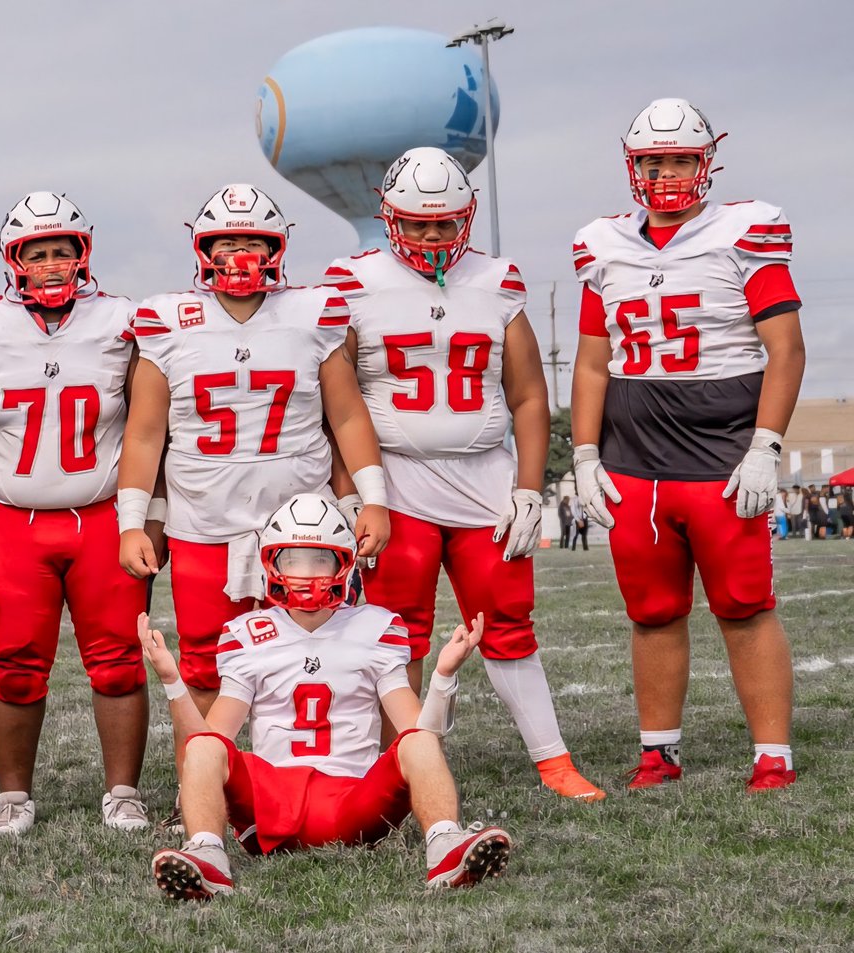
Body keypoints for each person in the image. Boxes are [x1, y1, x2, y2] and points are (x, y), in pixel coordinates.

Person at [325, 148, 604, 801]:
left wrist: (530, 487)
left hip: (485, 480)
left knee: (508, 621)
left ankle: (553, 759)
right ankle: (397, 765)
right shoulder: (352, 281)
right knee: (397, 631)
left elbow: (530, 393)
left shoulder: (498, 279)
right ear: (390, 218)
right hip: (394, 481)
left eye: (444, 224)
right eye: (417, 224)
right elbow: (335, 403)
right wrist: (349, 491)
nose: (430, 236)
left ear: (466, 218)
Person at [570, 99, 805, 792]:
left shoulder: (745, 231)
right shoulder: (602, 243)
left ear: (706, 162)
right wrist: (585, 455)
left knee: (744, 604)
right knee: (651, 610)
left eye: (678, 158)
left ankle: (772, 754)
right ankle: (658, 752)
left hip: (721, 450)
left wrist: (765, 445)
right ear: (632, 165)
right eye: (652, 160)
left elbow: (785, 349)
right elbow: (591, 362)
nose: (665, 172)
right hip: (634, 454)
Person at [117, 184, 390, 747]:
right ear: (202, 248)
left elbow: (346, 417)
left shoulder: (312, 311)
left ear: (277, 249)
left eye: (253, 240)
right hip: (203, 522)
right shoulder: (167, 320)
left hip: (302, 523)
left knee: (313, 653)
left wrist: (373, 499)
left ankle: (301, 764)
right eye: (227, 240)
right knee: (199, 663)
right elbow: (145, 436)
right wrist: (132, 522)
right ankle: (206, 781)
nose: (240, 253)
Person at [141, 494, 512, 900]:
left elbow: (416, 731)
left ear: (344, 563)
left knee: (419, 742)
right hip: (271, 803)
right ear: (271, 562)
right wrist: (172, 681)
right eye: (293, 559)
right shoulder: (248, 632)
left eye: (320, 559)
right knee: (205, 749)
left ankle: (445, 847)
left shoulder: (376, 626)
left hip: (356, 802)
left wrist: (442, 675)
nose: (305, 573)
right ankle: (208, 857)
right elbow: (210, 743)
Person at [0, 191, 151, 838]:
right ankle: (12, 796)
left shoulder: (123, 321)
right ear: (14, 258)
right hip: (11, 517)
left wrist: (152, 515)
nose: (52, 263)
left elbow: (148, 426)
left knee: (117, 660)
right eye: (38, 251)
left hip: (105, 513)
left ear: (83, 255)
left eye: (63, 250)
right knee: (14, 662)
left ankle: (123, 791)